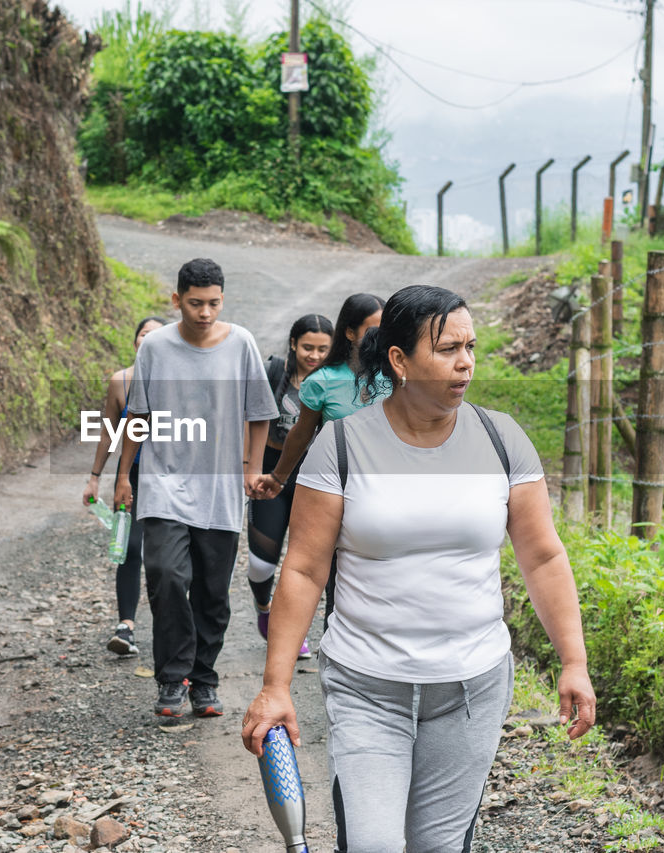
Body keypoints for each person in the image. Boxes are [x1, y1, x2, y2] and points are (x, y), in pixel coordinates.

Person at [241, 285, 596, 853]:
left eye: (471, 347)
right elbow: (305, 570)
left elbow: (543, 556)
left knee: (439, 845)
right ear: (399, 361)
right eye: (448, 348)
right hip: (367, 686)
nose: (465, 363)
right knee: (374, 843)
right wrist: (275, 685)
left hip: (470, 687)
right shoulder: (343, 444)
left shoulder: (502, 440)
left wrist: (573, 660)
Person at [114, 258, 278, 719]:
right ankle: (172, 678)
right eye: (194, 303)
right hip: (164, 481)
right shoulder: (156, 348)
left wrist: (252, 468)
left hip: (220, 486)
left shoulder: (241, 343)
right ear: (176, 300)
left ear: (222, 300)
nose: (204, 312)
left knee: (211, 592)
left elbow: (260, 412)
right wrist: (124, 475)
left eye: (213, 303)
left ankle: (203, 680)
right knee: (166, 575)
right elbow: (138, 417)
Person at [252, 292, 385, 625]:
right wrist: (278, 478)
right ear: (351, 333)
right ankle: (339, 660)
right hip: (339, 498)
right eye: (373, 330)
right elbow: (299, 434)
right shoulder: (323, 382)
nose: (381, 338)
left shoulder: (396, 376)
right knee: (338, 584)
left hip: (387, 496)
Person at [82, 315, 168, 657]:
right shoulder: (121, 381)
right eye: (143, 334)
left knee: (167, 554)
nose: (148, 340)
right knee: (129, 548)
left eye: (156, 336)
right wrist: (95, 476)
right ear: (135, 340)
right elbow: (108, 432)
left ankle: (171, 623)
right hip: (129, 477)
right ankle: (126, 626)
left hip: (168, 478)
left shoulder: (176, 380)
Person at [248, 313, 333, 657]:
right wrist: (250, 468)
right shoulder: (273, 373)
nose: (313, 355)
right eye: (307, 347)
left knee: (301, 562)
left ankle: (293, 632)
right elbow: (250, 419)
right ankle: (264, 607)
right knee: (261, 565)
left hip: (311, 477)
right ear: (294, 344)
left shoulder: (334, 380)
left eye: (322, 349)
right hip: (270, 473)